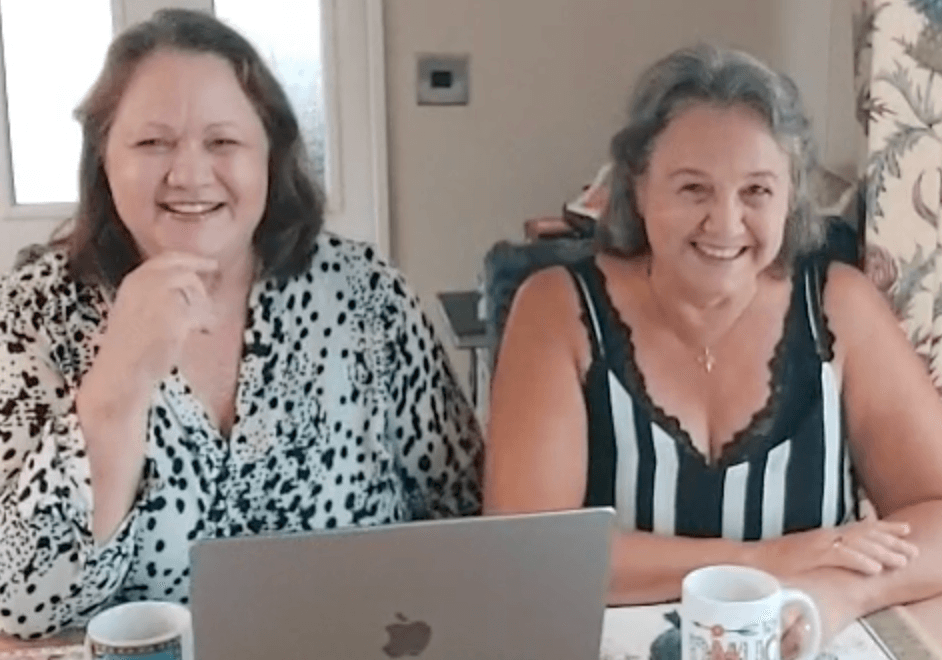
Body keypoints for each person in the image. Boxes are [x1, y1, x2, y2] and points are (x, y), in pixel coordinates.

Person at [0, 8, 482, 639]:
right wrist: (118, 386)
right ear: (103, 161)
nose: (190, 174)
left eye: (223, 142)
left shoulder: (367, 293)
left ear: (268, 157)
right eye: (153, 143)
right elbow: (26, 607)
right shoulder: (33, 313)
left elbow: (464, 518)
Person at [484, 44, 942, 645]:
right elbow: (530, 555)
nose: (725, 224)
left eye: (756, 191)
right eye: (693, 189)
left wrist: (843, 591)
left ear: (791, 196)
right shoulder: (557, 308)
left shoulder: (840, 306)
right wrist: (768, 561)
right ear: (637, 190)